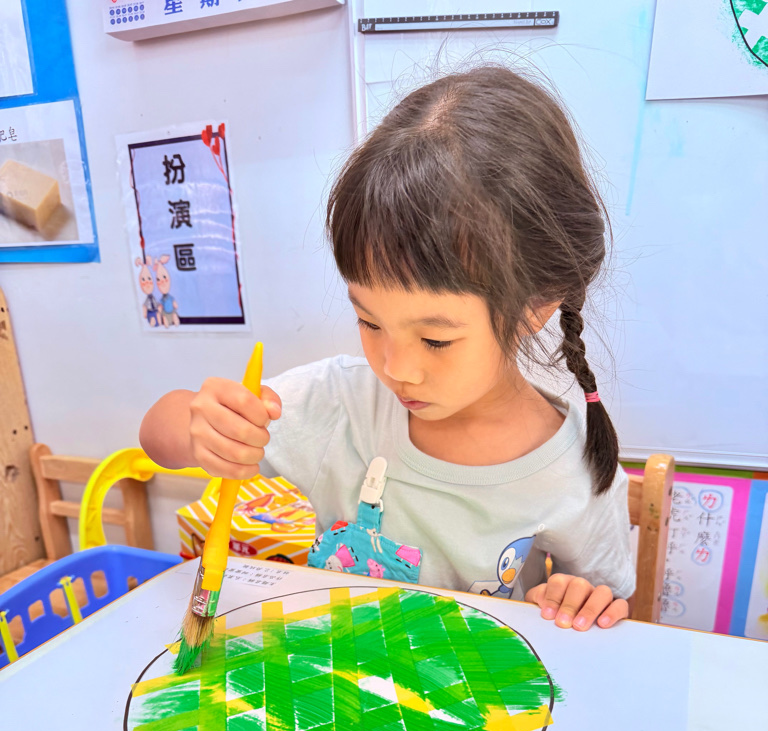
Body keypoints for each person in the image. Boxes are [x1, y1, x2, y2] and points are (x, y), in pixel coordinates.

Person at [141, 66, 635, 631]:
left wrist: (580, 603)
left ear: (535, 307)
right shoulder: (341, 405)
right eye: (368, 321)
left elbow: (610, 612)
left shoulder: (574, 467)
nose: (396, 369)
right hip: (336, 675)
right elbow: (158, 435)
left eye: (435, 339)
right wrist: (199, 425)